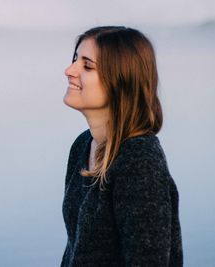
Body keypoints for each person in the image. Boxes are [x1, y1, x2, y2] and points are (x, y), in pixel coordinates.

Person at [61, 26, 183, 266]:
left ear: (119, 80)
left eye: (87, 65)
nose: (69, 71)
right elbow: (74, 250)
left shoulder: (139, 159)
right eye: (75, 60)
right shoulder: (83, 145)